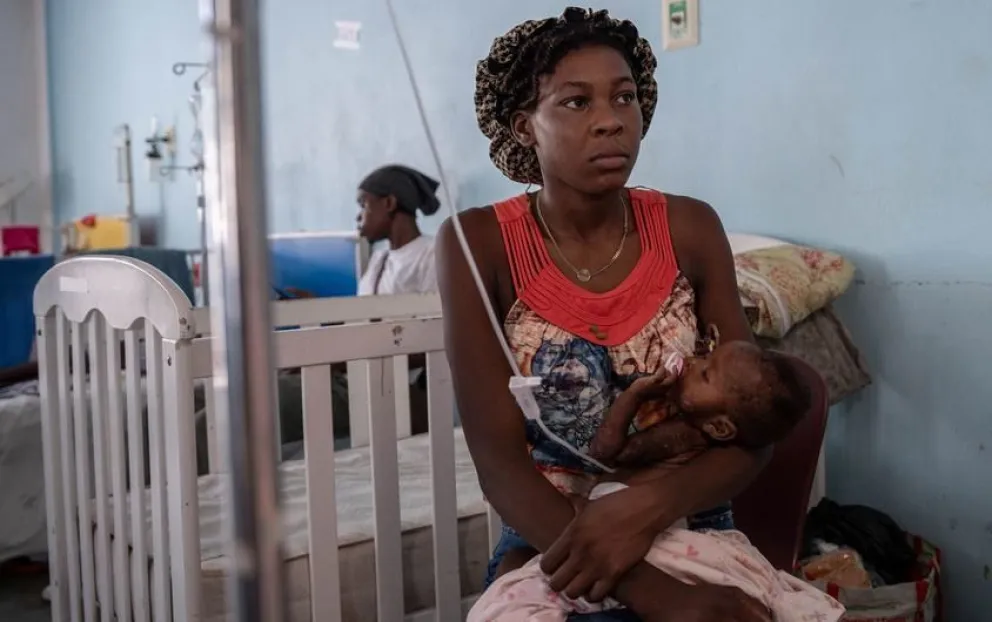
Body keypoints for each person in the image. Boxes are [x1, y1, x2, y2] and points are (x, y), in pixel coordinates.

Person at [436, 8, 780, 621]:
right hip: (555, 538)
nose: (610, 122)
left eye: (625, 98)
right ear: (523, 127)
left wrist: (645, 508)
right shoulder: (476, 245)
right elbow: (499, 464)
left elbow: (752, 428)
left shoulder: (690, 228)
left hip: (692, 520)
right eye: (576, 103)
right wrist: (661, 598)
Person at [467, 340, 842, 621]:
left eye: (706, 372)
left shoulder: (681, 435)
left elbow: (607, 450)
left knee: (518, 597)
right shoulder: (697, 430)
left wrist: (634, 395)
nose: (693, 361)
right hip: (630, 530)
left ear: (720, 426)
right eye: (706, 354)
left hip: (644, 540)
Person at [356, 164, 441, 296]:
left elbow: (435, 312)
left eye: (363, 205)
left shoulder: (432, 254)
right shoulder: (379, 260)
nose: (359, 217)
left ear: (389, 203)